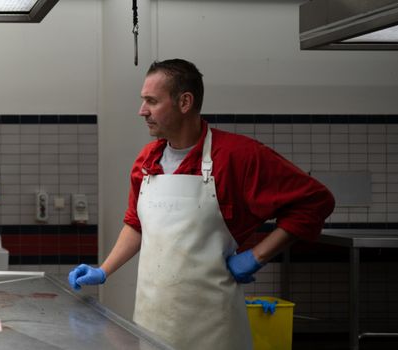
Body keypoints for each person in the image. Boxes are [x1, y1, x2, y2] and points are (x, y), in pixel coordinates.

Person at [68, 59, 334, 349]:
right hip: (151, 321)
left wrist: (256, 256)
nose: (141, 111)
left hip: (214, 329)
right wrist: (104, 270)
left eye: (152, 101)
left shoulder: (238, 157)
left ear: (184, 102)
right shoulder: (147, 161)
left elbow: (315, 201)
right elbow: (136, 224)